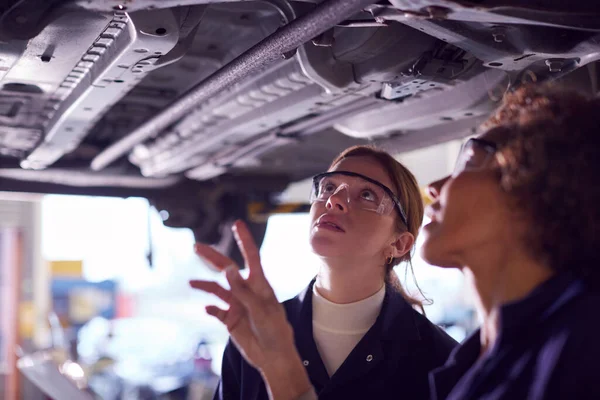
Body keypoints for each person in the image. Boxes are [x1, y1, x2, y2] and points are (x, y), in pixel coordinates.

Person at [191, 83, 600, 400]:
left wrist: (284, 376)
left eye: (471, 160)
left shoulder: (576, 349)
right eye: (329, 187)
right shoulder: (470, 364)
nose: (438, 185)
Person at [191, 145, 457, 399]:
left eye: (367, 195)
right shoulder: (255, 332)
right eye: (329, 187)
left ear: (399, 244)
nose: (334, 199)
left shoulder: (441, 360)